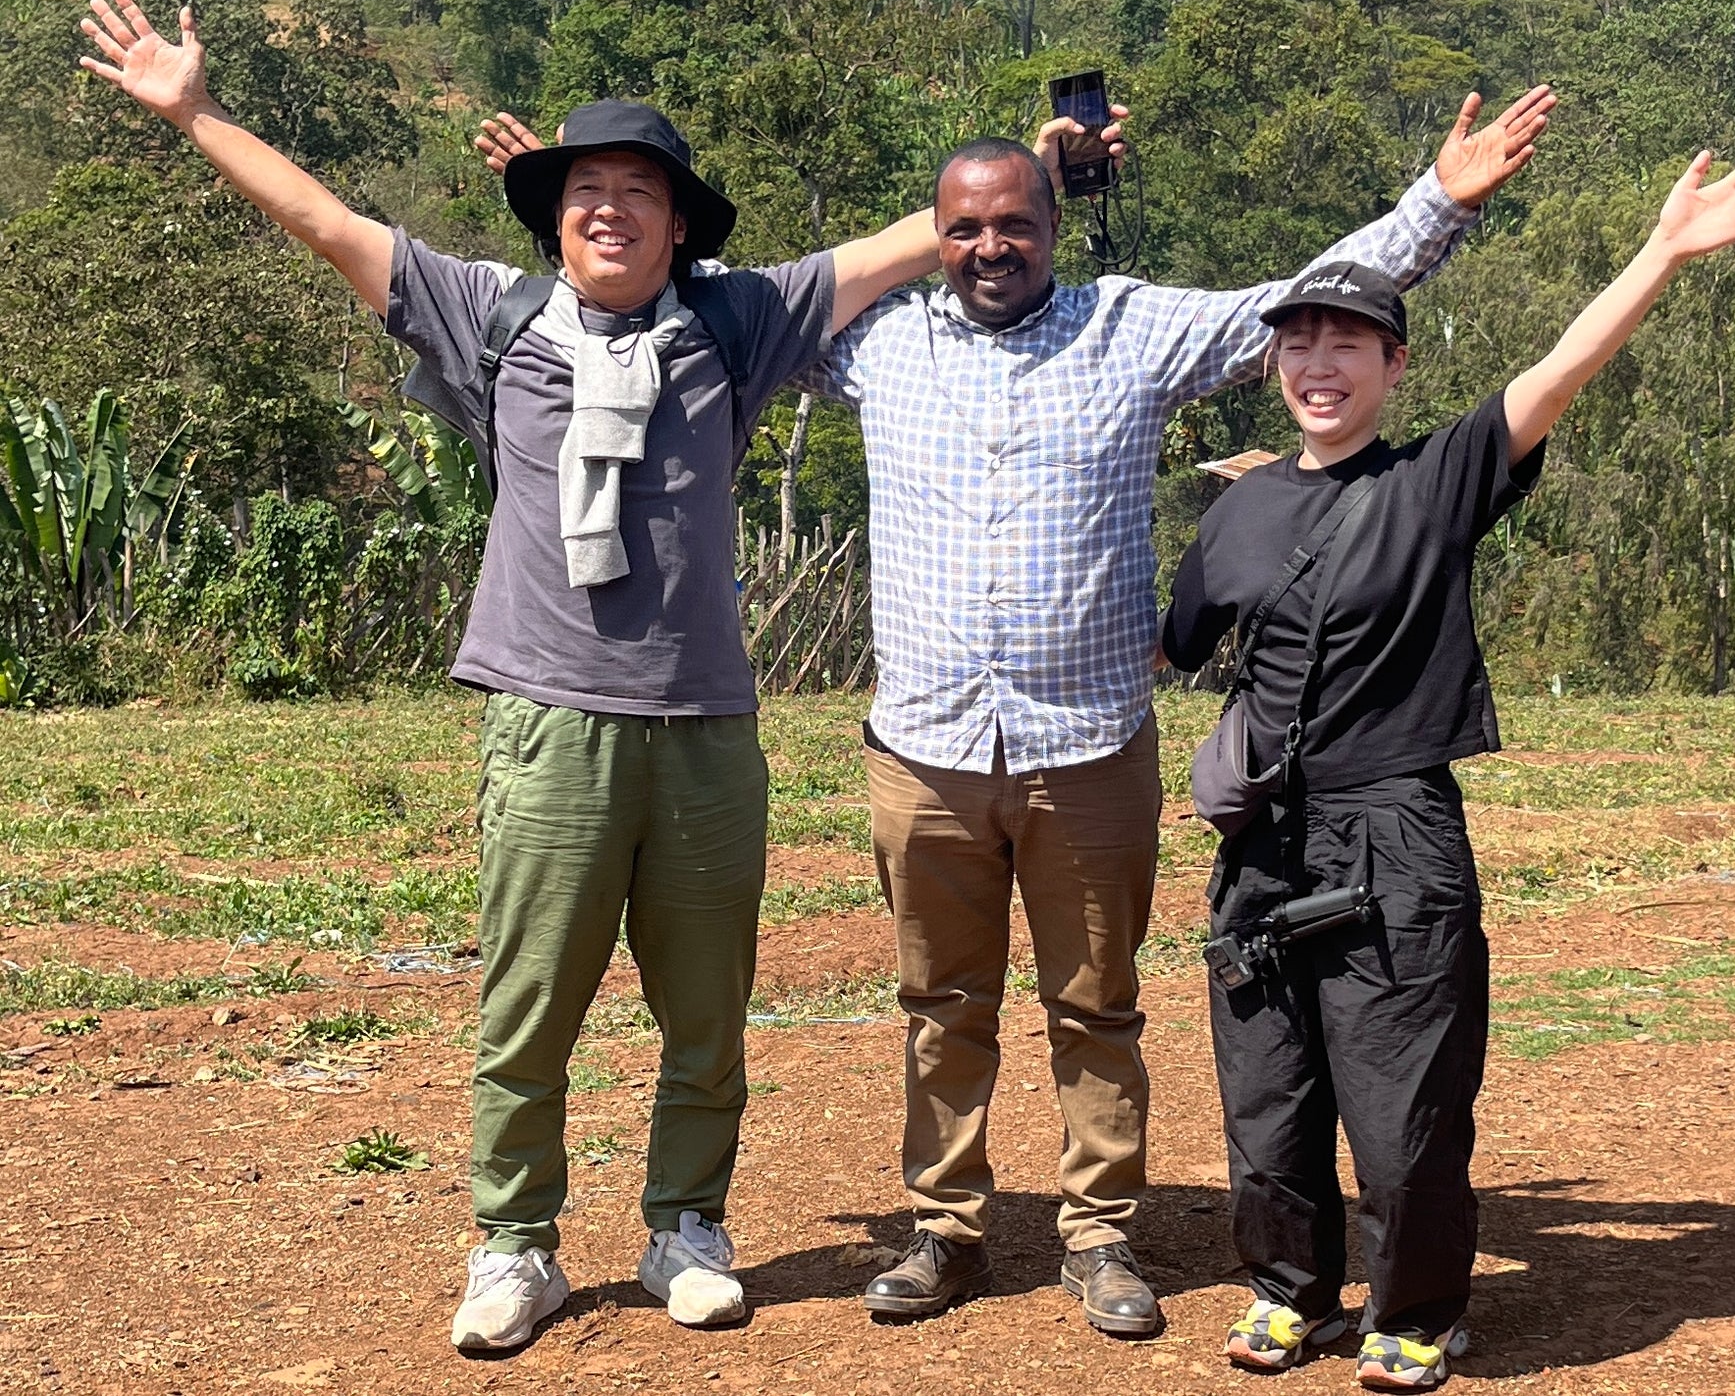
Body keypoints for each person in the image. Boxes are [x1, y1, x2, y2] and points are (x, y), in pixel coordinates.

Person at [484, 85, 1550, 1336]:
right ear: (933, 236)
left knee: (1095, 1005)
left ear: (1052, 226)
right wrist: (583, 201)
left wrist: (1439, 203)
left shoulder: (1131, 332)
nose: (991, 248)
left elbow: (1301, 303)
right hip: (924, 750)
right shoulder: (870, 345)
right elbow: (712, 294)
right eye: (964, 228)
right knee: (941, 1006)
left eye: (1015, 224)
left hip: (1086, 744)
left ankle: (1097, 1235)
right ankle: (944, 1228)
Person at [79, 0, 945, 1353]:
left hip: (707, 725)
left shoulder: (737, 325)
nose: (610, 210)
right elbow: (324, 223)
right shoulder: (491, 316)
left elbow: (910, 240)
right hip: (549, 720)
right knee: (529, 998)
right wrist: (197, 114)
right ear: (553, 217)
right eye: (585, 190)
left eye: (639, 194)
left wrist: (1047, 154)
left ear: (678, 225)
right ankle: (515, 1244)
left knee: (707, 1003)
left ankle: (685, 1227)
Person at [1158, 149, 1735, 1388]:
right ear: (1272, 362)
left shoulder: (1437, 479)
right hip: (1261, 850)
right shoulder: (1230, 512)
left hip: (1394, 832)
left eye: (1348, 342)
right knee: (1267, 1101)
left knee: (1401, 1112)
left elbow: (1558, 369)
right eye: (1297, 342)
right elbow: (1166, 643)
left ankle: (1416, 1308)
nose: (1318, 364)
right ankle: (1289, 1290)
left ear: (1393, 366)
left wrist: (1659, 252)